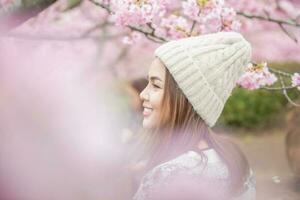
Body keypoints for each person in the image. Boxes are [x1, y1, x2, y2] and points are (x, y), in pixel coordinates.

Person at [132, 32, 256, 200]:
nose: (143, 95)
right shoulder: (234, 161)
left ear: (184, 98)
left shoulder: (168, 176)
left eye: (155, 85)